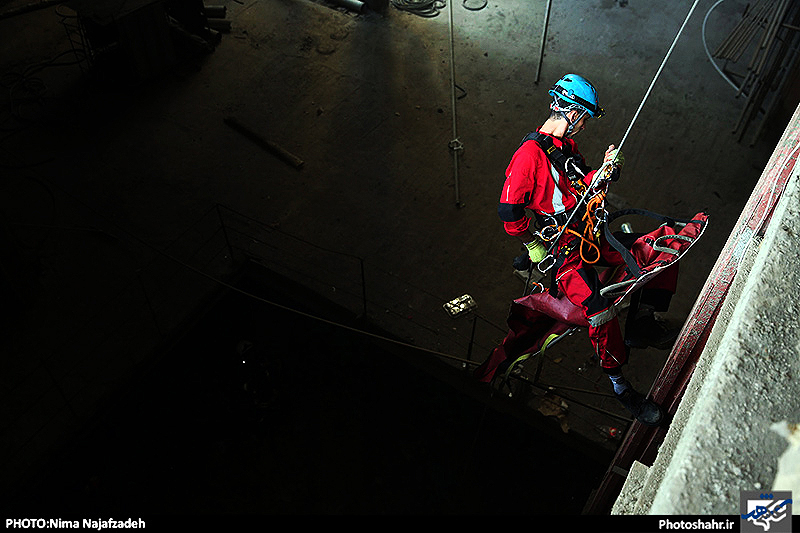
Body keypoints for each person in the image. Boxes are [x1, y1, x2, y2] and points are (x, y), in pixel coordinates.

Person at [496, 73, 680, 426]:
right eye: (583, 118)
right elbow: (509, 210)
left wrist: (608, 169)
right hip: (566, 251)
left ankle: (642, 324)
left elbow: (582, 186)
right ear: (572, 112)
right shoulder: (529, 157)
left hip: (591, 235)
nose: (583, 126)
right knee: (599, 312)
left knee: (665, 246)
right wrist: (532, 243)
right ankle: (620, 386)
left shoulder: (564, 148)